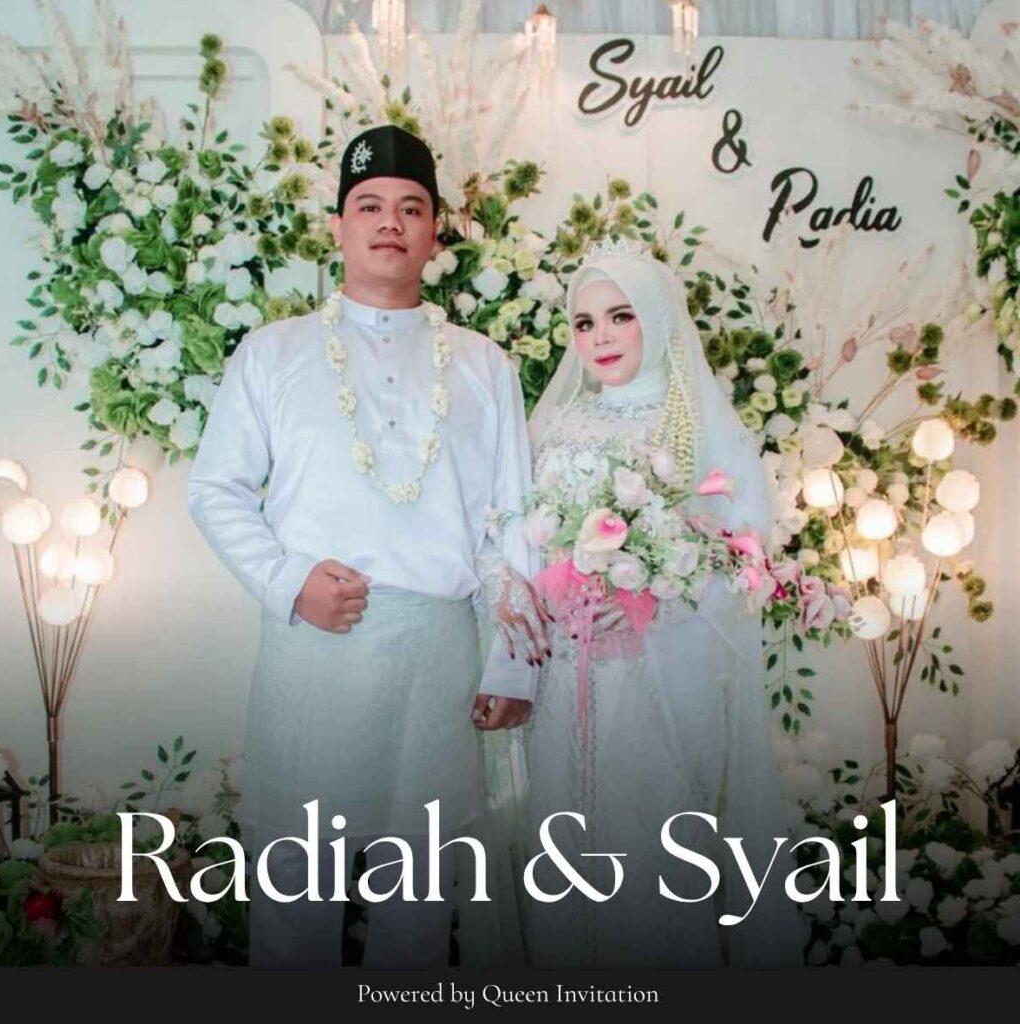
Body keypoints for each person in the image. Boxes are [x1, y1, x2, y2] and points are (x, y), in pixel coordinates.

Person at [187, 124, 546, 968]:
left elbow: (513, 517)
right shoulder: (272, 354)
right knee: (294, 900)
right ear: (338, 227)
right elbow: (215, 489)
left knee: (417, 913)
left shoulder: (484, 365)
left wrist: (515, 663)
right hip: (314, 650)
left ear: (435, 233)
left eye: (412, 208)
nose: (391, 222)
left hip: (437, 660)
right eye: (370, 205)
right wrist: (288, 581)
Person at [519, 240, 803, 968]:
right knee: (564, 849)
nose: (601, 337)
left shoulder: (699, 425)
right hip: (564, 677)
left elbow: (744, 554)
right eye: (584, 323)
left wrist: (653, 597)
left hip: (659, 679)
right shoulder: (553, 426)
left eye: (621, 316)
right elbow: (523, 537)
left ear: (657, 316)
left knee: (650, 849)